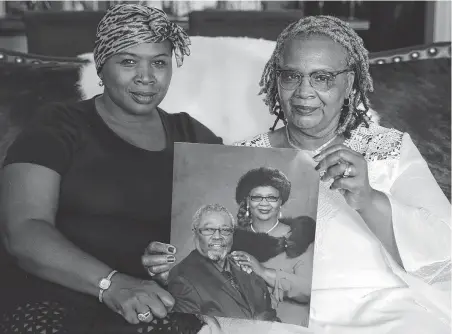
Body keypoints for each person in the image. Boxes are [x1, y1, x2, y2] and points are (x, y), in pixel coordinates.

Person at [0, 4, 222, 333]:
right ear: (102, 67)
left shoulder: (193, 136)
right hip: (53, 299)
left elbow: (238, 205)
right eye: (129, 61)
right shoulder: (57, 127)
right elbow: (22, 231)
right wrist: (112, 285)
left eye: (159, 62)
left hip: (155, 305)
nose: (146, 77)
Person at [233, 15, 451, 333]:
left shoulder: (387, 147)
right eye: (291, 76)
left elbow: (442, 250)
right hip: (280, 316)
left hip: (386, 313)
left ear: (348, 84)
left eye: (322, 78)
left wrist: (369, 199)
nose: (303, 92)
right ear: (275, 81)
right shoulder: (244, 157)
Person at [230, 167, 316, 327]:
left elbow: (309, 291)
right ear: (247, 201)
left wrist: (263, 272)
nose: (264, 204)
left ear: (280, 201)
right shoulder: (231, 239)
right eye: (257, 197)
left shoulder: (299, 238)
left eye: (271, 198)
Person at [167, 204, 278, 322]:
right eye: (209, 229)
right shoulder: (182, 279)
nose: (217, 237)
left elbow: (269, 315)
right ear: (195, 233)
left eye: (225, 230)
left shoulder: (245, 267)